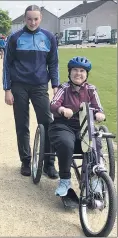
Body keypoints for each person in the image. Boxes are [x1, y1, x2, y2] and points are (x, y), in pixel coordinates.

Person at [3, 5, 59, 178]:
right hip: (19, 86)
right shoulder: (14, 38)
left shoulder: (49, 37)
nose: (32, 22)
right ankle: (26, 161)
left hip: (40, 86)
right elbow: (6, 65)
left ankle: (49, 163)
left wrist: (55, 85)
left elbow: (53, 63)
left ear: (40, 18)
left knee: (48, 123)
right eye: (29, 19)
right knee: (22, 124)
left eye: (36, 19)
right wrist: (7, 89)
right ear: (24, 19)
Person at [49, 56, 105, 196]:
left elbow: (99, 108)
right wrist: (62, 110)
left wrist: (99, 114)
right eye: (75, 70)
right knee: (66, 143)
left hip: (84, 126)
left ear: (86, 74)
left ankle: (92, 178)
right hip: (63, 125)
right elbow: (53, 104)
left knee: (94, 143)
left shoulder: (91, 89)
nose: (78, 73)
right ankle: (65, 180)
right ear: (69, 72)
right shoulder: (64, 88)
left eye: (82, 71)